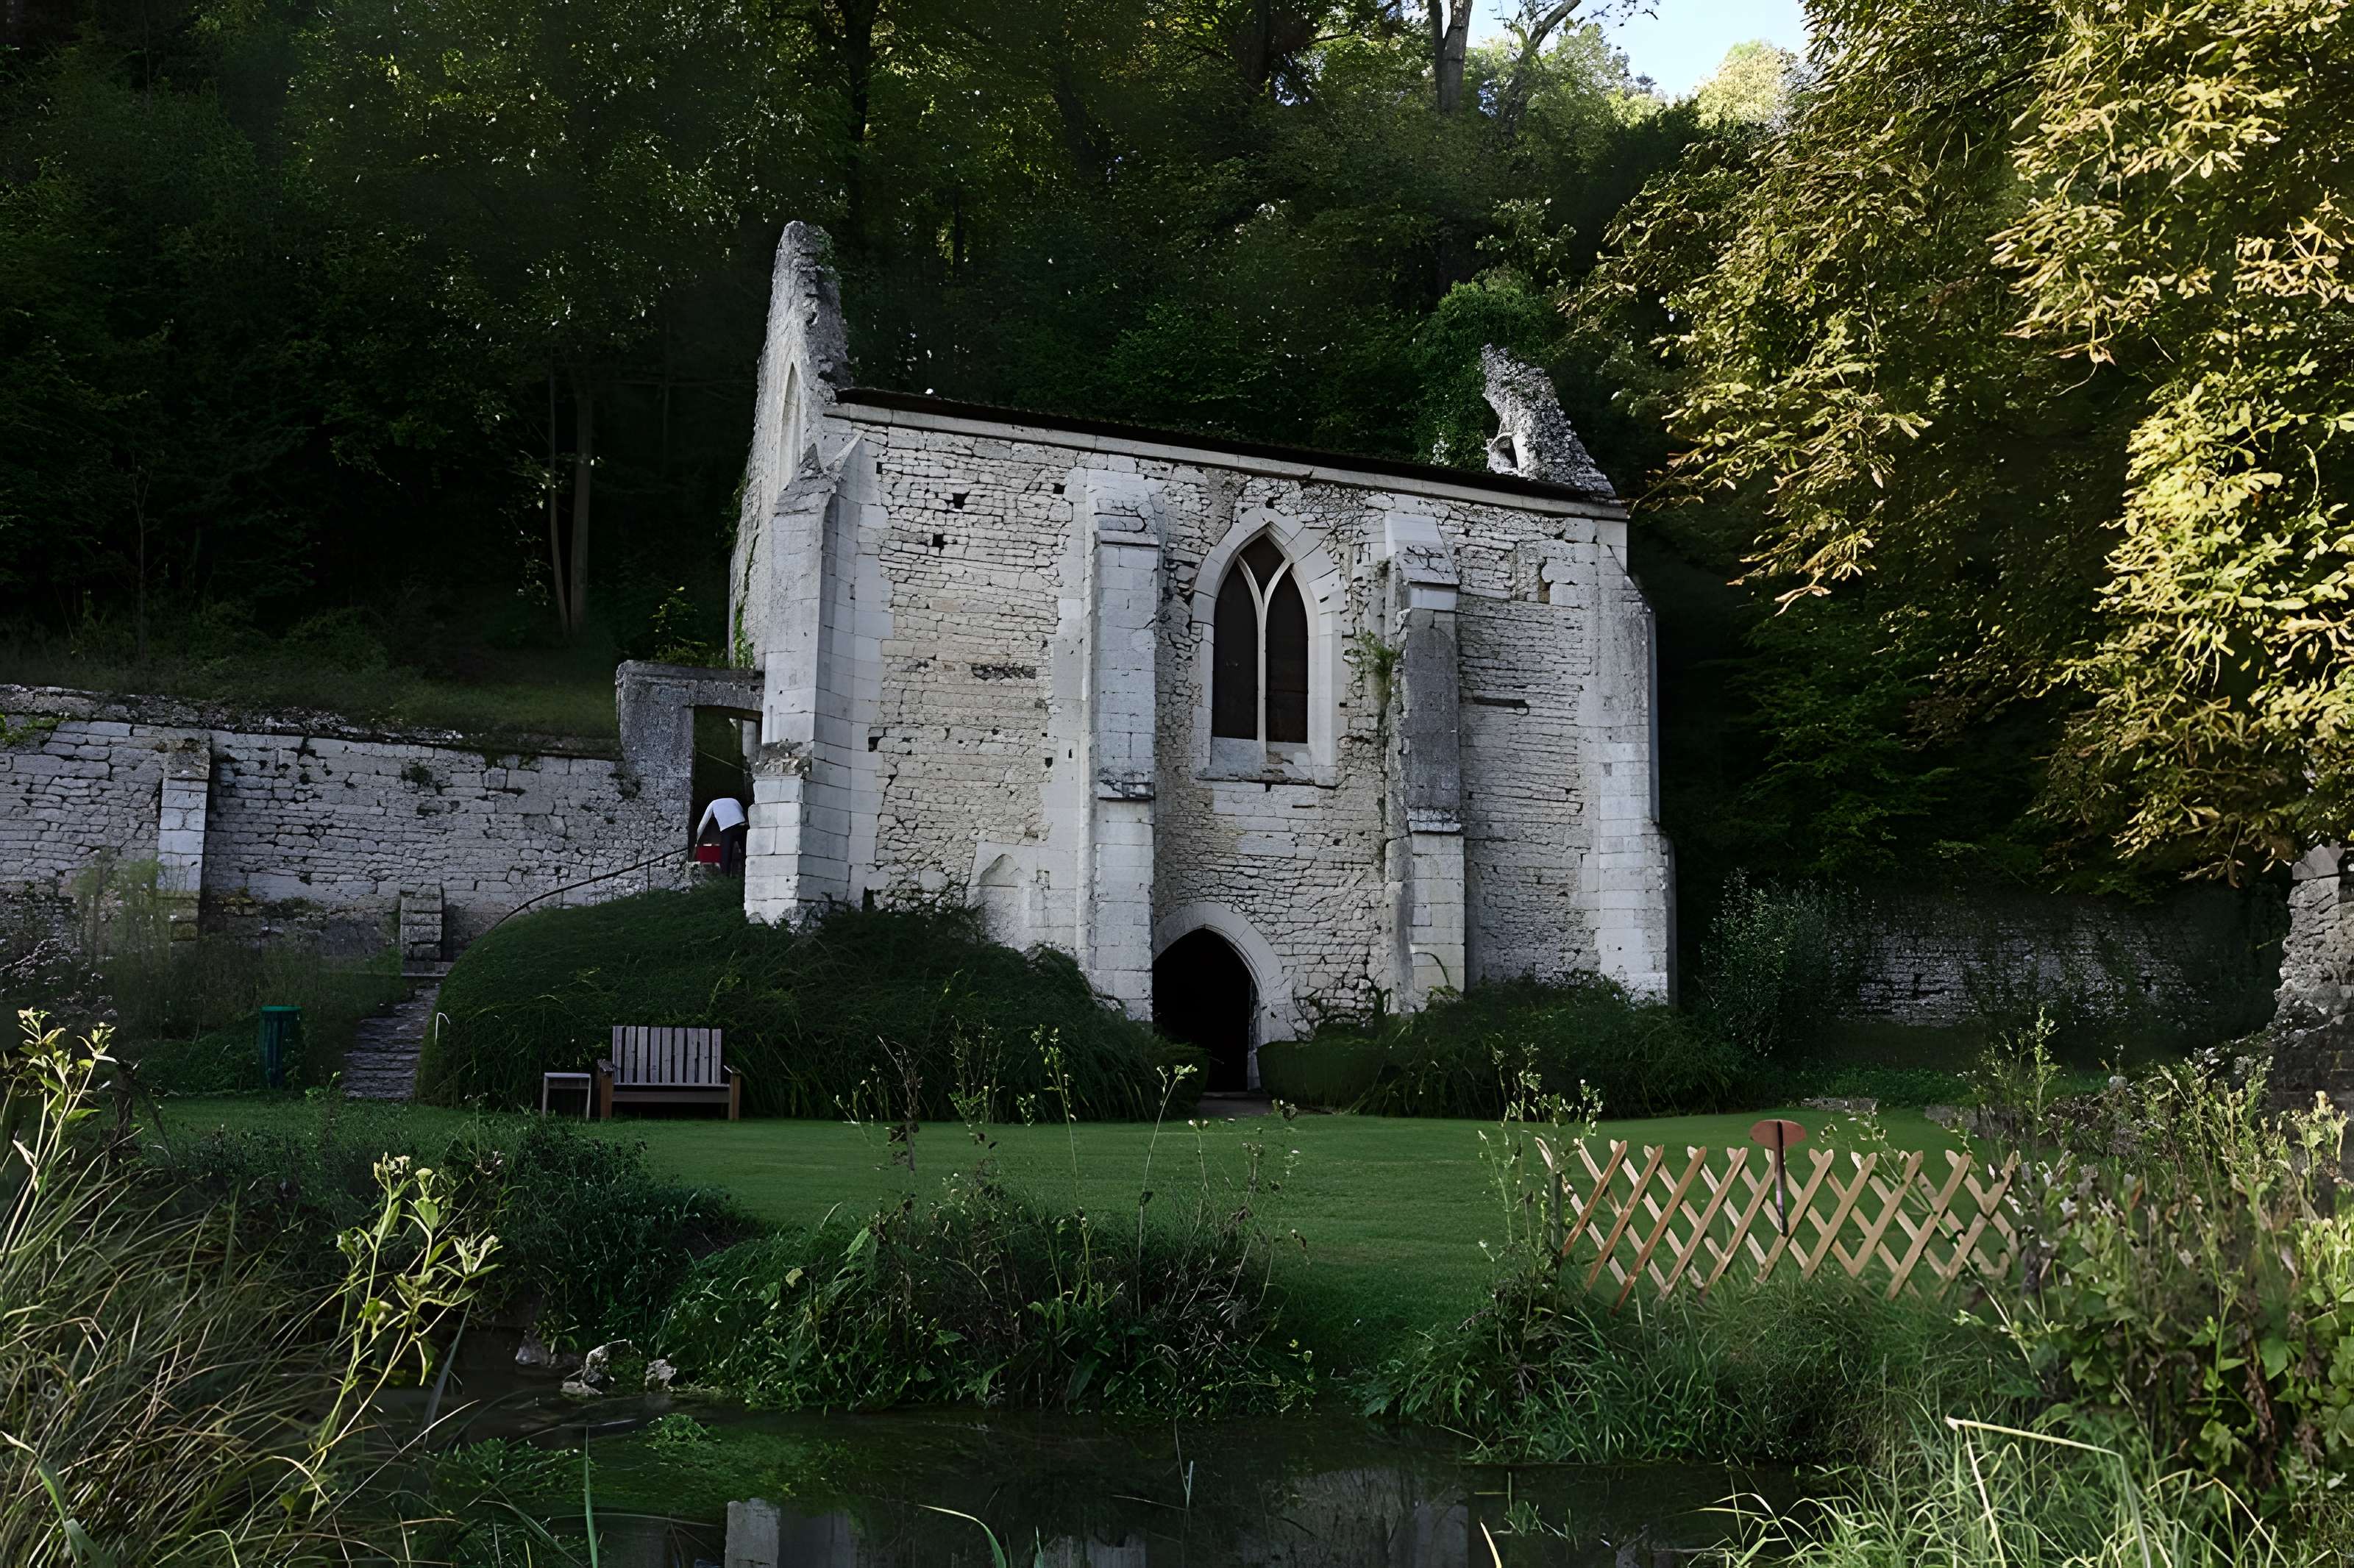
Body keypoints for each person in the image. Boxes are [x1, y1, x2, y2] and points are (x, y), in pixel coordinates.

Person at [694, 796, 748, 875]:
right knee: (745, 852)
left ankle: (725, 877)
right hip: (742, 825)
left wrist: (696, 840)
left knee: (726, 855)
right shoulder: (733, 800)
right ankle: (746, 874)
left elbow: (703, 824)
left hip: (727, 828)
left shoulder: (713, 804)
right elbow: (741, 810)